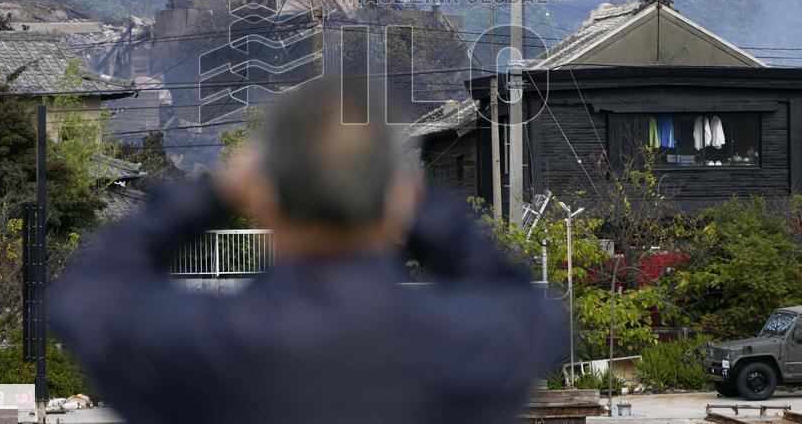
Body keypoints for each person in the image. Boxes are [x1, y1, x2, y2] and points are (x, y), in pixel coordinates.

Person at [50, 78, 567, 424]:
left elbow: (89, 296)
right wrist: (421, 204)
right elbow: (528, 308)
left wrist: (214, 193)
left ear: (264, 196)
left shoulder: (199, 346)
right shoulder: (467, 345)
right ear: (396, 199)